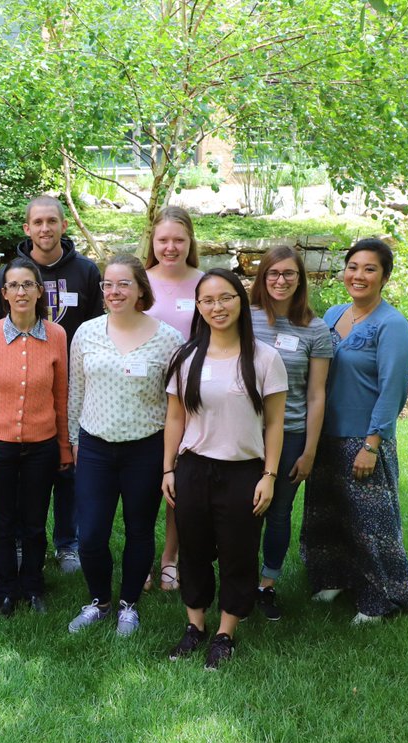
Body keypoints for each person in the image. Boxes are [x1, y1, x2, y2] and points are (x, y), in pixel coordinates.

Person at [162, 268, 287, 670]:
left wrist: (269, 475)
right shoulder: (186, 357)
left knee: (238, 553)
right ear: (198, 307)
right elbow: (175, 418)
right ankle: (195, 625)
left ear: (240, 301)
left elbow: (275, 423)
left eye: (225, 298)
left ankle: (225, 633)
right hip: (193, 469)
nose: (217, 307)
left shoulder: (264, 358)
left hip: (243, 472)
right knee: (193, 550)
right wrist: (168, 469)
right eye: (208, 300)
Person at [300, 238, 408, 623]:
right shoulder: (334, 313)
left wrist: (371, 445)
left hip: (363, 439)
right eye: (353, 266)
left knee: (370, 525)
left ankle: (380, 600)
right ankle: (333, 578)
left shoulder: (393, 326)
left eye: (370, 269)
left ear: (384, 277)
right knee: (327, 514)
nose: (358, 275)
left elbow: (393, 391)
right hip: (324, 434)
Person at [67, 255, 184, 636]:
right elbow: (75, 392)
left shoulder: (169, 339)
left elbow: (176, 403)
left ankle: (129, 604)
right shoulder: (86, 333)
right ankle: (99, 601)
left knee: (139, 530)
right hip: (95, 447)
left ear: (140, 290)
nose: (114, 291)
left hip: (145, 449)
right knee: (91, 533)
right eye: (108, 284)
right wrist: (73, 441)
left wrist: (171, 458)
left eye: (123, 284)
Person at [0, 196, 103, 574]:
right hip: (25, 389)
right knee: (25, 475)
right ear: (27, 228)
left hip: (75, 384)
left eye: (52, 221)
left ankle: (67, 542)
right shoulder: (9, 274)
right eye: (37, 222)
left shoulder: (86, 271)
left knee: (67, 468)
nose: (45, 228)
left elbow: (98, 327)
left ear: (64, 225)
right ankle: (21, 539)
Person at [0, 257, 71, 616]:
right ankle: (6, 591)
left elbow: (61, 396)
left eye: (28, 284)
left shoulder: (57, 335)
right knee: (2, 524)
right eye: (13, 285)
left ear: (40, 291)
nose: (21, 292)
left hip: (42, 447)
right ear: (4, 294)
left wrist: (64, 448)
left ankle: (33, 586)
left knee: (34, 523)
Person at [248, 246, 332, 620]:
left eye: (289, 274)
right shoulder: (245, 318)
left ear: (300, 279)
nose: (280, 280)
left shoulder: (315, 329)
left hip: (292, 433)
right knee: (244, 511)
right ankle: (239, 582)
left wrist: (310, 450)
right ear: (263, 277)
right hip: (245, 432)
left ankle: (267, 585)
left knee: (279, 512)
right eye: (273, 273)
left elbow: (316, 394)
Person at [143, 205, 205, 592]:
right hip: (143, 394)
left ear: (190, 242)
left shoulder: (204, 283)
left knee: (178, 479)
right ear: (152, 241)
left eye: (178, 240)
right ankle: (143, 557)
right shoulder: (139, 281)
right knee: (144, 481)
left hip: (190, 396)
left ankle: (171, 556)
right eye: (163, 239)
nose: (170, 247)